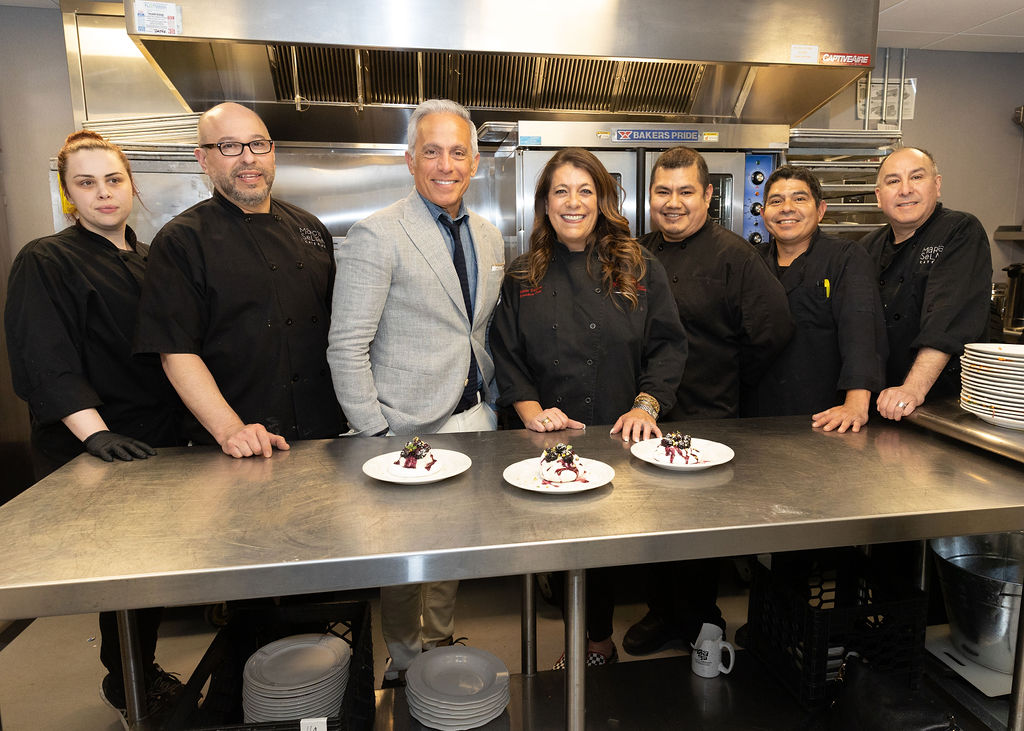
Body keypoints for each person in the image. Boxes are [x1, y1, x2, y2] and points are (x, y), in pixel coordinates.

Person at [4, 130, 184, 726]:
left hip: (158, 441)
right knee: (123, 580)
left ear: (131, 184)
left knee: (152, 573)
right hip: (97, 447)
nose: (103, 193)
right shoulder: (45, 259)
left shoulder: (150, 257)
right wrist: (94, 433)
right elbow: (43, 356)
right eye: (86, 182)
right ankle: (128, 680)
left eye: (113, 179)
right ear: (67, 193)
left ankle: (140, 671)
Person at [327, 99, 505, 686]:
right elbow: (346, 346)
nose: (446, 164)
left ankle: (440, 639)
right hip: (402, 429)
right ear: (410, 160)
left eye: (458, 152)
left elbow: (476, 328)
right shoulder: (376, 234)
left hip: (473, 419)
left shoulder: (487, 234)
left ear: (474, 162)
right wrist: (374, 434)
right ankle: (403, 660)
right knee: (404, 559)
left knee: (451, 548)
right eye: (432, 151)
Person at [491, 147, 687, 667]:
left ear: (602, 200)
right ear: (545, 204)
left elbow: (668, 345)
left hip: (619, 433)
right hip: (547, 437)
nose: (573, 202)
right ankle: (575, 642)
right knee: (554, 549)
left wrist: (646, 406)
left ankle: (596, 644)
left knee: (602, 551)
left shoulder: (638, 266)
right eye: (561, 191)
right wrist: (533, 412)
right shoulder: (522, 274)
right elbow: (506, 354)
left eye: (585, 190)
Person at [623, 146, 794, 657]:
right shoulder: (636, 253)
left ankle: (701, 619)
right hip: (648, 414)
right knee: (653, 524)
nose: (673, 202)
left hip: (706, 415)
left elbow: (774, 331)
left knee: (695, 536)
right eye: (663, 192)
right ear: (650, 197)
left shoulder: (735, 256)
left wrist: (730, 379)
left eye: (685, 192)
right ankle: (661, 614)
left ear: (708, 196)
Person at [134, 102, 344, 457]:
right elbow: (175, 351)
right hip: (235, 444)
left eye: (258, 144)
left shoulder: (310, 227)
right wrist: (231, 428)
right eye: (229, 146)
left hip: (323, 435)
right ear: (203, 159)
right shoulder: (181, 241)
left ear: (272, 152)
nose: (249, 159)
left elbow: (338, 330)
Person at [745, 165, 887, 432]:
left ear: (821, 210)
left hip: (825, 416)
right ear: (763, 214)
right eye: (776, 201)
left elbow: (861, 329)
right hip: (755, 413)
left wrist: (856, 403)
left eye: (799, 199)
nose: (787, 208)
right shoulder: (750, 261)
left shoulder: (846, 257)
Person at [861, 147, 992, 420]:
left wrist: (912, 388)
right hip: (884, 402)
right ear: (878, 196)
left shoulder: (959, 230)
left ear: (937, 185)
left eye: (917, 177)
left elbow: (947, 316)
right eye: (893, 181)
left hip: (945, 405)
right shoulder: (867, 247)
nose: (905, 189)